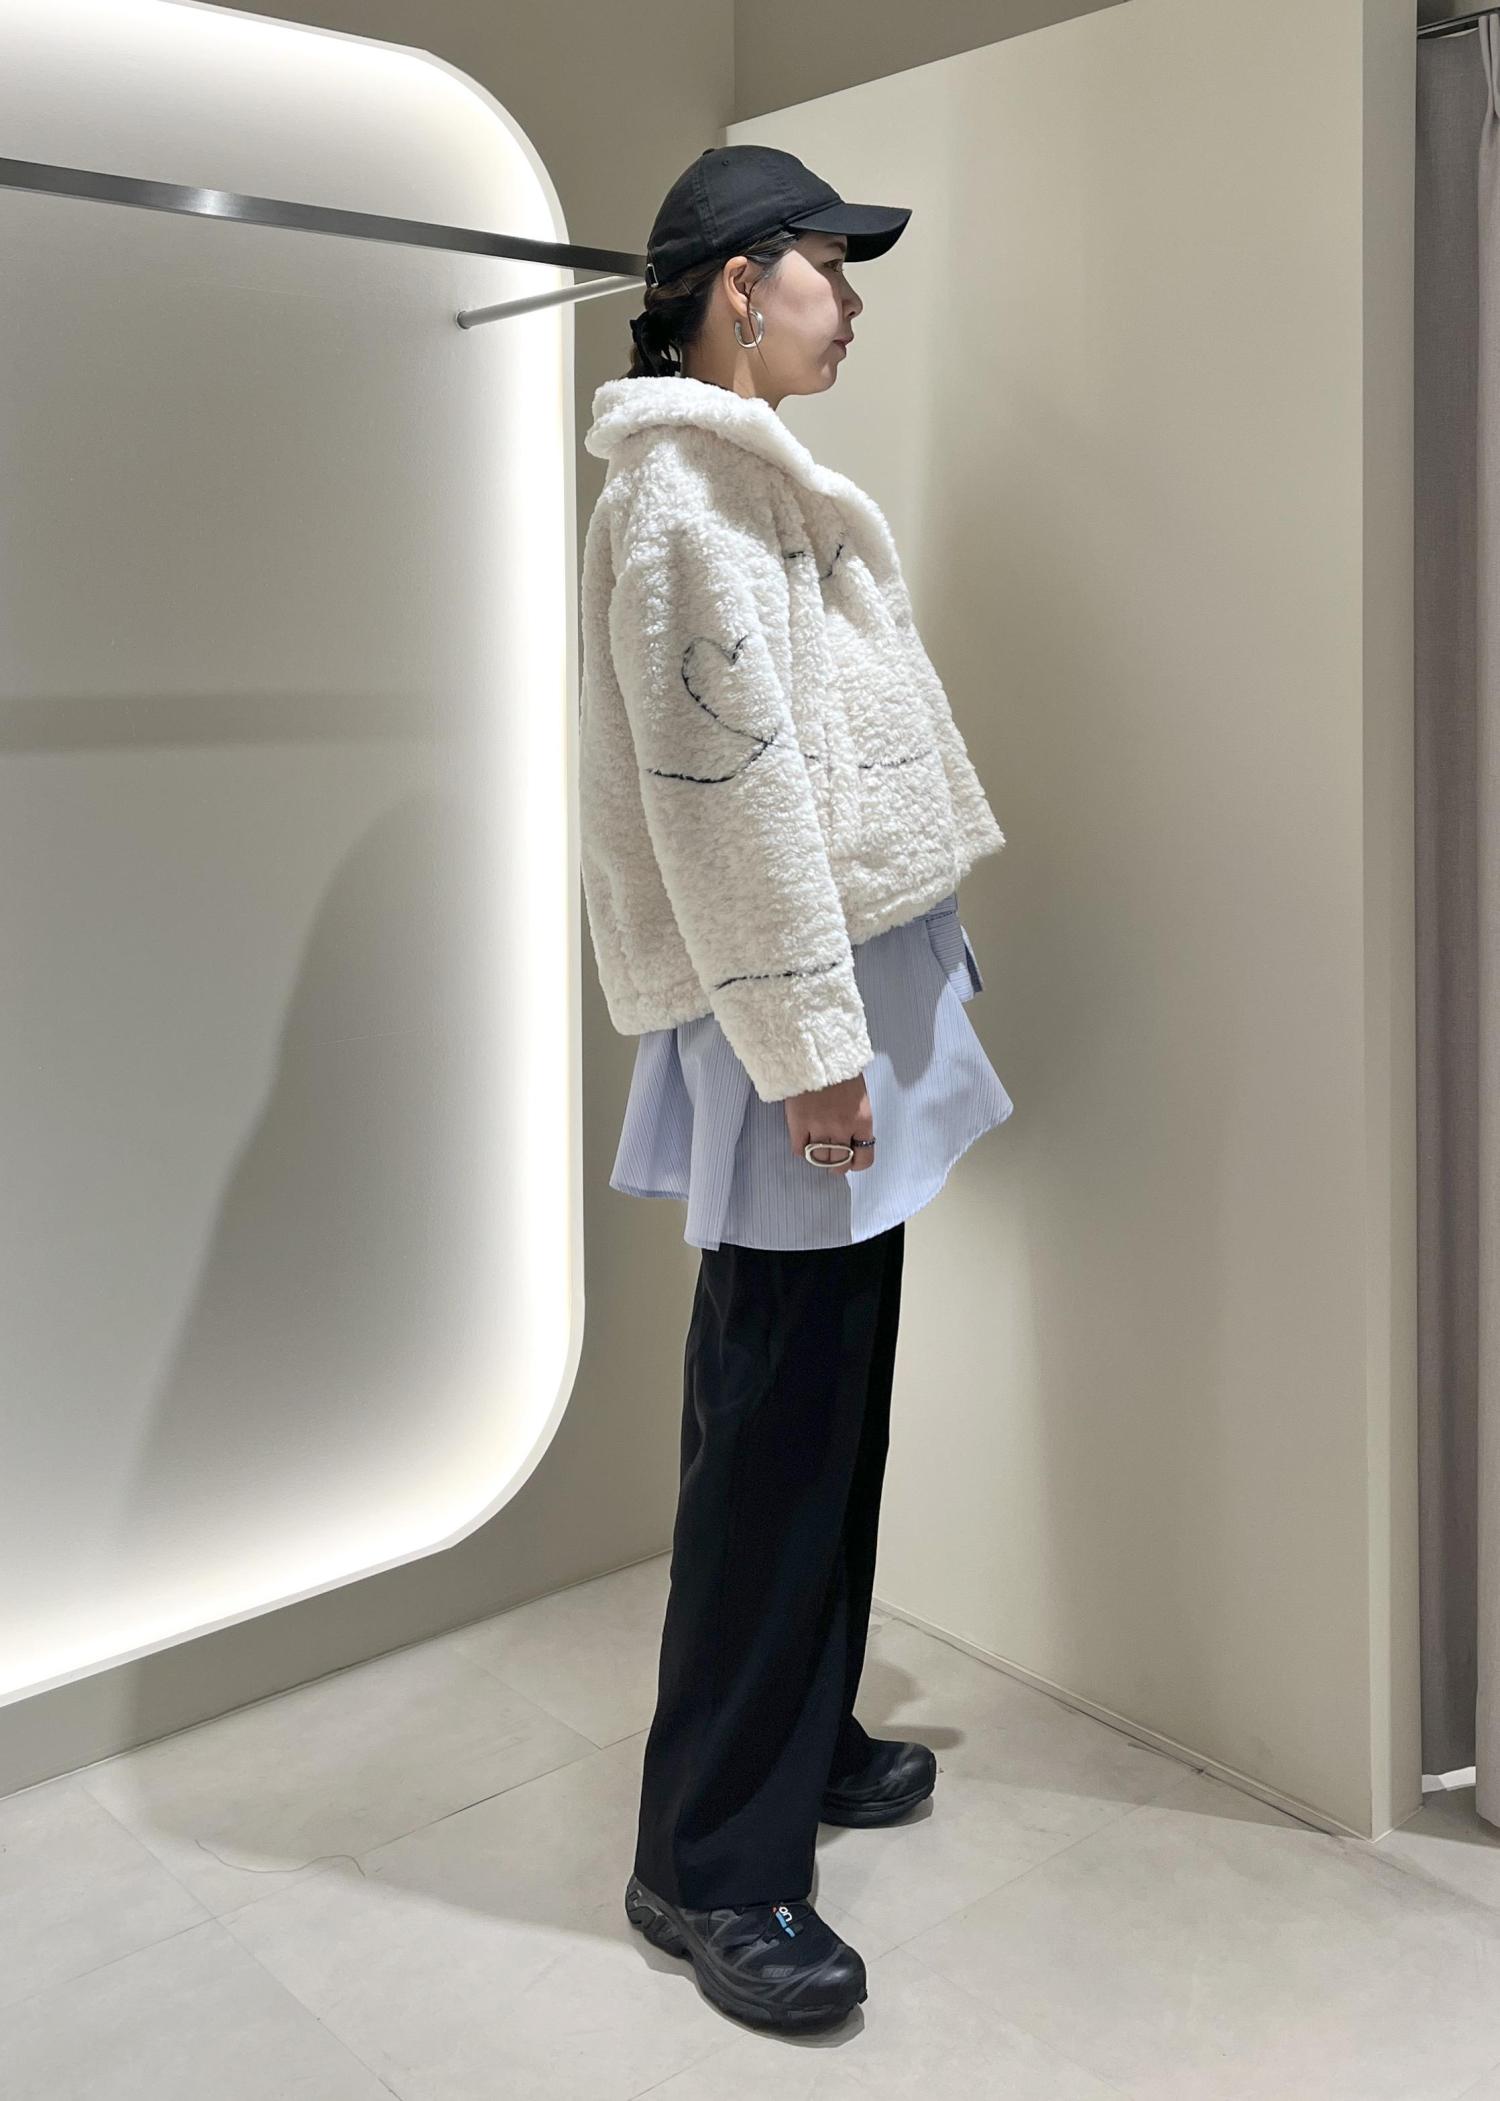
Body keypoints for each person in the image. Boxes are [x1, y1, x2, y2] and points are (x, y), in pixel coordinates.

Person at [576, 144, 1013, 2034]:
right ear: (742, 283)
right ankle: (708, 1861)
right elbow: (727, 810)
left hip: (838, 1008)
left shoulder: (745, 482)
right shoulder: (681, 503)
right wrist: (814, 1051)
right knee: (771, 1433)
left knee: (823, 1409)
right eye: (837, 266)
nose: (857, 302)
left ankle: (804, 1730)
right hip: (794, 1032)